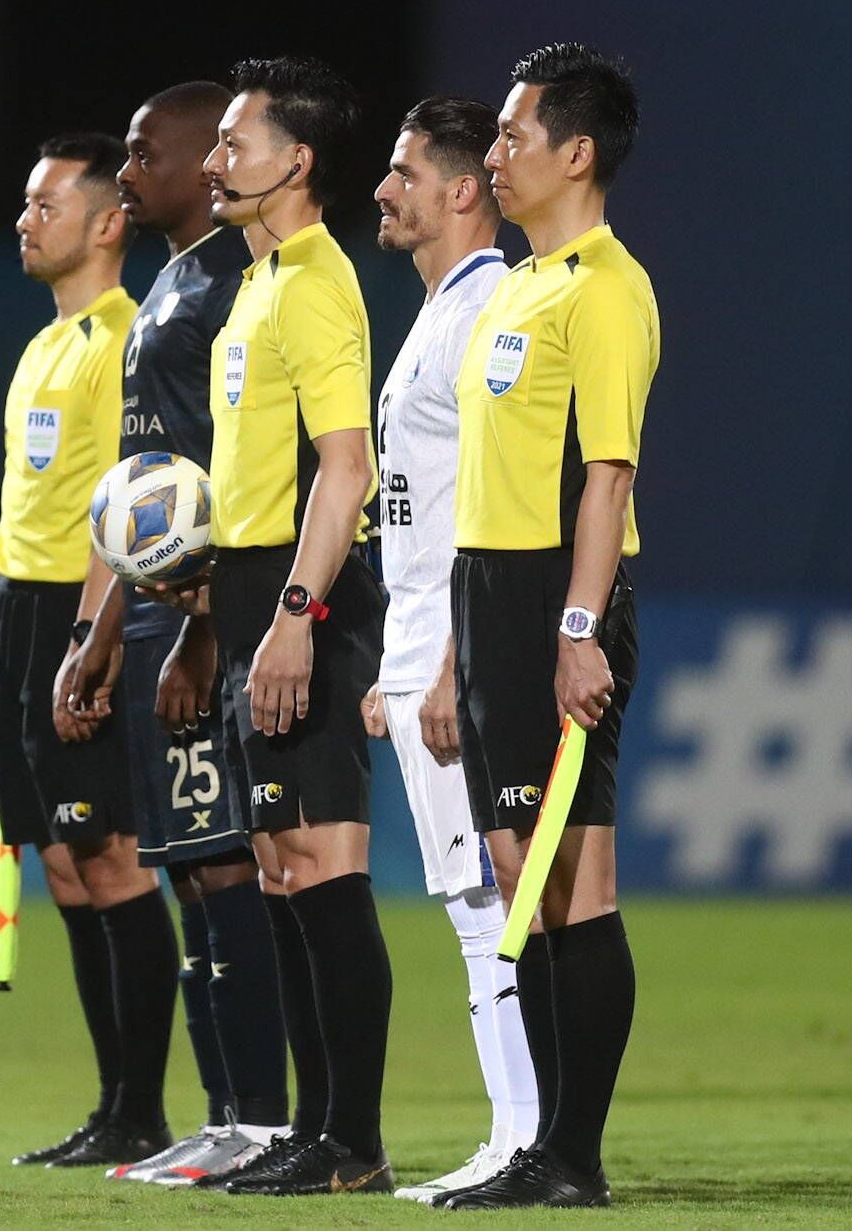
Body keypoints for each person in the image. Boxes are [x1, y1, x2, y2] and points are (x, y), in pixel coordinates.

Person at [159, 55, 394, 1197]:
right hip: (253, 588)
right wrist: (217, 602)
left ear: (294, 163)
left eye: (233, 144)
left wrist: (296, 616)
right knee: (280, 865)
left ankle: (351, 1139)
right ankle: (318, 1131)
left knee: (322, 862)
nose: (213, 162)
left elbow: (344, 469)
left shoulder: (313, 280)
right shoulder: (251, 284)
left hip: (308, 597)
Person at [56, 81, 290, 1188]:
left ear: (203, 164)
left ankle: (262, 1118)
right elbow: (143, 487)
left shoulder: (234, 289)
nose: (131, 166)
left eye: (146, 150)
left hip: (201, 618)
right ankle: (221, 1111)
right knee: (189, 870)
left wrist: (199, 626)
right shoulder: (171, 285)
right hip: (150, 614)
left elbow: (228, 484)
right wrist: (102, 626)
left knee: (225, 865)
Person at [438, 43, 657, 1210]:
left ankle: (570, 1156)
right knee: (519, 865)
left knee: (575, 876)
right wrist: (449, 652)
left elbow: (604, 477)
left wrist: (575, 630)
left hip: (555, 597)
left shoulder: (603, 289)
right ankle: (547, 1148)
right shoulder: (514, 287)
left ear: (575, 152)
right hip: (488, 592)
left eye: (514, 137)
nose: (495, 154)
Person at [356, 94, 539, 1203]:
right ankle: (513, 1135)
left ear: (461, 187)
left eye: (403, 171)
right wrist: (399, 657)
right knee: (471, 899)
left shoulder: (489, 311)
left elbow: (499, 502)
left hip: (460, 639)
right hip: (423, 633)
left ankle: (522, 1141)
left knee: (489, 899)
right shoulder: (440, 309)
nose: (384, 189)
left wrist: (450, 665)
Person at [0, 133, 176, 1170]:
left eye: (45, 204)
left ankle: (141, 1110)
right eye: (25, 203)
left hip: (77, 614)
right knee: (60, 863)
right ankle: (112, 1105)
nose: (25, 220)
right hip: (18, 609)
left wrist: (88, 639)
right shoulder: (42, 346)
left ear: (108, 223)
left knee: (107, 858)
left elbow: (128, 506)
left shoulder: (121, 341)